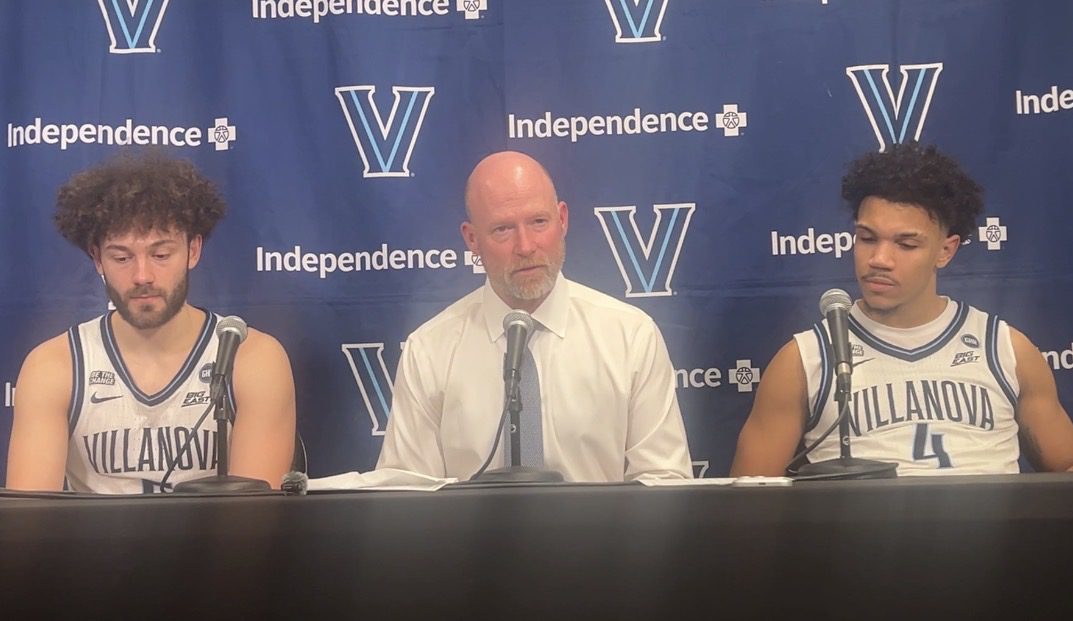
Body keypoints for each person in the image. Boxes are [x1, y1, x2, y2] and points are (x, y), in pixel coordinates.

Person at [731, 142, 1073, 476]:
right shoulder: (804, 360)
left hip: (990, 533)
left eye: (906, 244)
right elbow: (746, 510)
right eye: (867, 238)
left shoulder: (1005, 350)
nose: (879, 259)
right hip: (858, 534)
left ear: (946, 250)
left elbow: (1065, 468)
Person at [376, 151, 692, 481]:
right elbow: (405, 497)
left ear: (563, 219)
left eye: (539, 222)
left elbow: (664, 482)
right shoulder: (429, 351)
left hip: (601, 533)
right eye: (502, 229)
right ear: (472, 239)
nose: (526, 246)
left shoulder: (631, 336)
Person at [6, 152, 296, 493]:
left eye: (161, 255)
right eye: (121, 257)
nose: (142, 275)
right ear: (97, 258)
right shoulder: (54, 366)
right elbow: (32, 528)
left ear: (193, 250)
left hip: (216, 548)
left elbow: (253, 527)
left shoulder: (252, 358)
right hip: (90, 547)